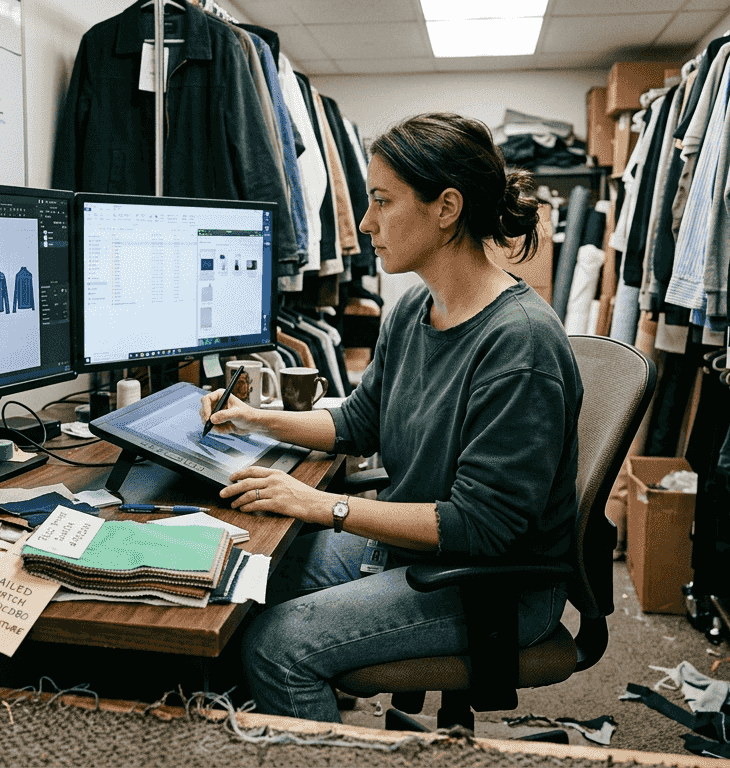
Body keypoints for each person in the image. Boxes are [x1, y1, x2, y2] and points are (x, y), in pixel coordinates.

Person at [200, 113, 583, 723]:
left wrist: (321, 505)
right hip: (417, 550)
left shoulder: (520, 344)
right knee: (237, 580)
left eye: (382, 201)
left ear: (446, 207)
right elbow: (357, 423)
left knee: (277, 645)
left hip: (492, 586)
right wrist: (254, 419)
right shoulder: (414, 309)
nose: (368, 224)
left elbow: (484, 528)